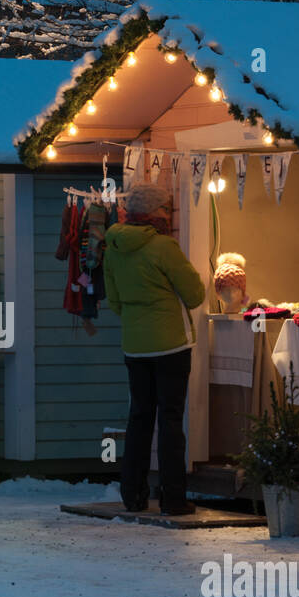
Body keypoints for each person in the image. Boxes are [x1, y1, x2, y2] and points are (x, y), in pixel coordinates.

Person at [103, 183, 206, 515]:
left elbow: (115, 302)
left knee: (139, 418)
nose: (169, 214)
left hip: (134, 346)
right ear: (156, 213)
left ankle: (132, 494)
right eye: (167, 209)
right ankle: (173, 498)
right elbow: (194, 295)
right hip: (171, 345)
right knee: (171, 420)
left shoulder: (113, 247)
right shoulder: (165, 247)